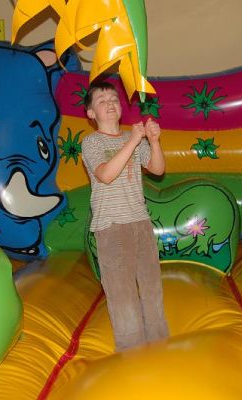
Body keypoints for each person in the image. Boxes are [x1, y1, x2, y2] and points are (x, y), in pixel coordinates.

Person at [81, 80, 169, 351]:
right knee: (122, 295)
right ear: (91, 113)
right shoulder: (91, 142)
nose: (110, 103)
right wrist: (133, 141)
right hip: (112, 227)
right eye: (102, 101)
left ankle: (160, 345)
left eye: (113, 99)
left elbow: (157, 169)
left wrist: (153, 142)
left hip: (140, 222)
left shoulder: (131, 139)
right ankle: (132, 353)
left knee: (152, 288)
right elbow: (106, 175)